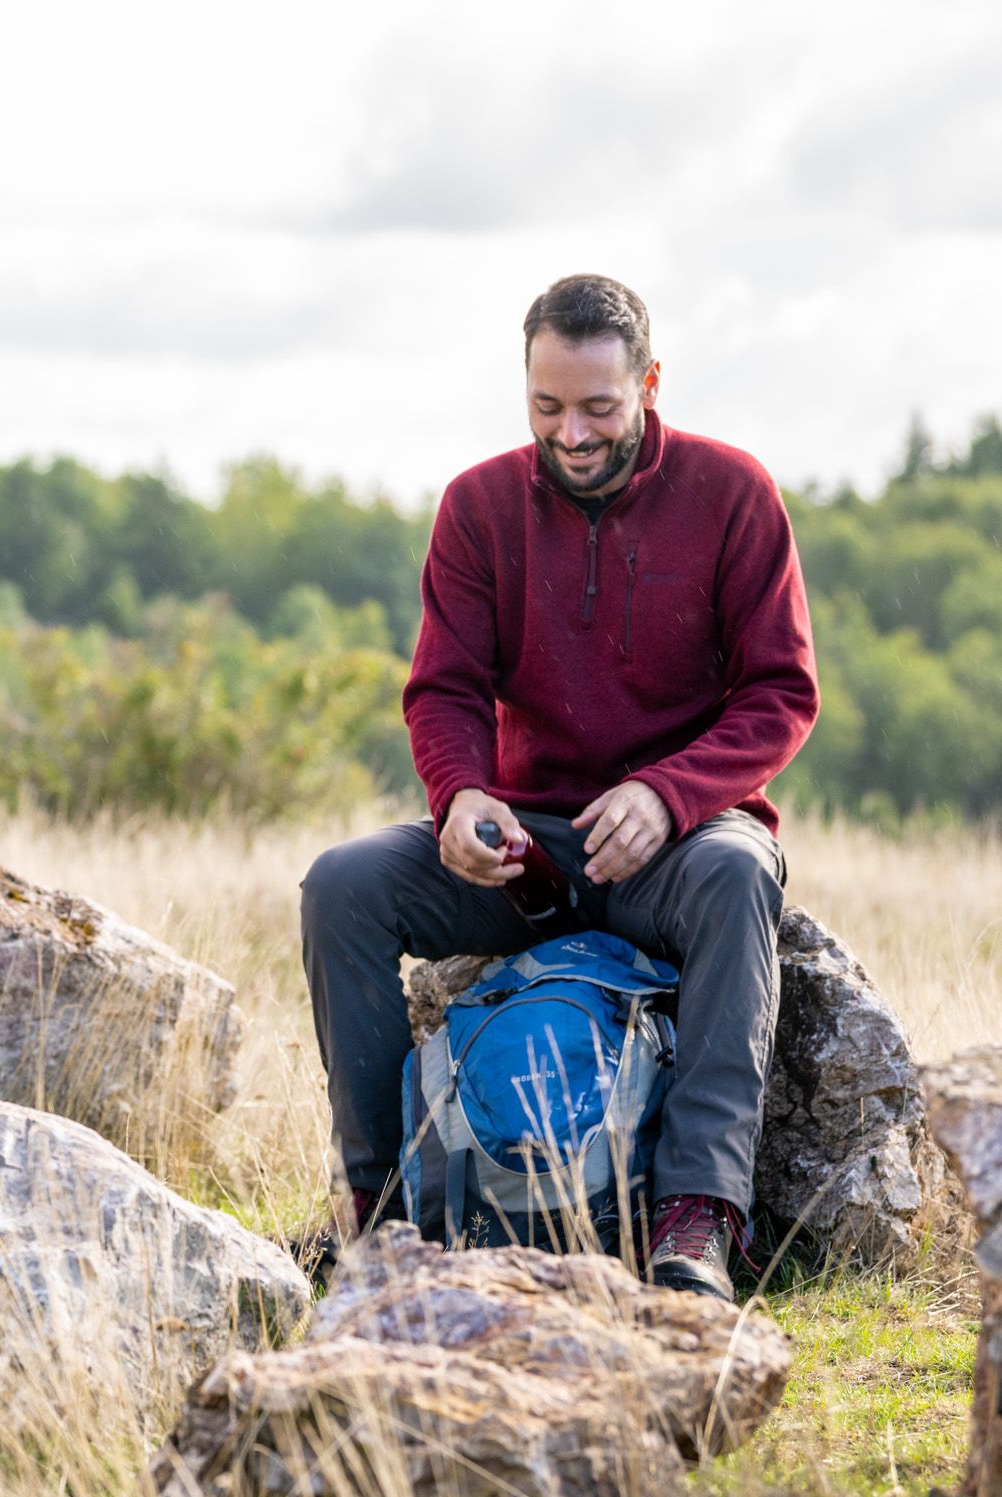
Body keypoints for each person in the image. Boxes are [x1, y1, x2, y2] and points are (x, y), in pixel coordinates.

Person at [298, 275, 819, 1301]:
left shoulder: (734, 495)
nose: (570, 434)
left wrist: (670, 793)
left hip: (682, 843)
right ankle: (379, 1215)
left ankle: (695, 1221)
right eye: (546, 408)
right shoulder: (478, 507)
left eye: (596, 408)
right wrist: (458, 797)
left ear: (650, 385)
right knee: (342, 884)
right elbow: (442, 689)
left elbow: (779, 694)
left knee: (735, 878)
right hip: (523, 848)